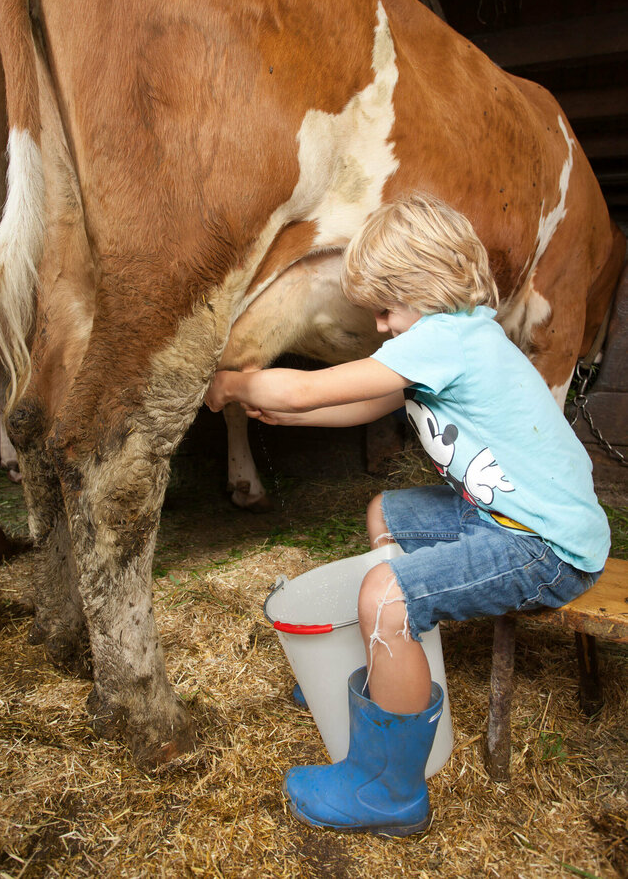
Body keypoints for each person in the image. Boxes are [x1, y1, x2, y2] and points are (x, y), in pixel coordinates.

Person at [206, 193, 610, 837]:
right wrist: (290, 414)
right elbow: (365, 402)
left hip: (546, 547)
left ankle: (387, 790)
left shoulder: (444, 339)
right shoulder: (459, 336)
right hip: (504, 519)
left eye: (388, 309)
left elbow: (314, 384)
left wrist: (233, 382)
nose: (385, 326)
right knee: (386, 512)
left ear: (422, 288)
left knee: (386, 592)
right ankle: (393, 670)